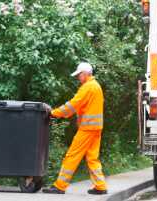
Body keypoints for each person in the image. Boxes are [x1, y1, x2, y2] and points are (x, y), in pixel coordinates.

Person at [42, 62, 107, 195]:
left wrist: (53, 113)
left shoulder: (87, 87)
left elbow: (72, 105)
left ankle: (60, 186)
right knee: (92, 158)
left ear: (84, 73)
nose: (78, 77)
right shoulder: (96, 86)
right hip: (96, 128)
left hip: (87, 128)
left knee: (72, 155)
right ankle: (100, 186)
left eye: (79, 75)